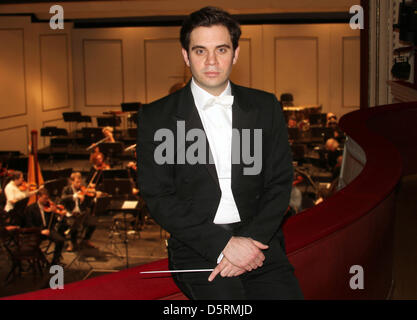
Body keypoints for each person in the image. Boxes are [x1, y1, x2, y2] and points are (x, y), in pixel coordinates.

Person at [137, 7, 303, 300]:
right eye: (200, 51)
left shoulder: (265, 107)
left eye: (221, 49)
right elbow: (159, 197)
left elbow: (279, 182)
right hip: (197, 246)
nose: (211, 61)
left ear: (235, 54)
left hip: (259, 241)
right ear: (186, 56)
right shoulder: (156, 117)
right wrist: (224, 245)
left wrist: (250, 241)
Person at [23, 188, 66, 265]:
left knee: (60, 240)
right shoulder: (30, 208)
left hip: (48, 229)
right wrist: (40, 231)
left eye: (47, 198)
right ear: (39, 197)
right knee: (35, 245)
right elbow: (29, 224)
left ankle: (55, 261)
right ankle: (43, 260)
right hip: (36, 232)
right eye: (45, 198)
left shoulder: (48, 207)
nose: (47, 201)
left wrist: (59, 216)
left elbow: (54, 221)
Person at [61, 172, 97, 251]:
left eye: (80, 182)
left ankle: (85, 240)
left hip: (82, 213)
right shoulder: (67, 189)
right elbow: (63, 198)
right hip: (71, 213)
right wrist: (75, 195)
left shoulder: (83, 189)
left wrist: (93, 194)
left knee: (93, 223)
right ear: (72, 181)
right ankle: (72, 242)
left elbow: (89, 202)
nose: (79, 184)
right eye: (77, 182)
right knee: (74, 225)